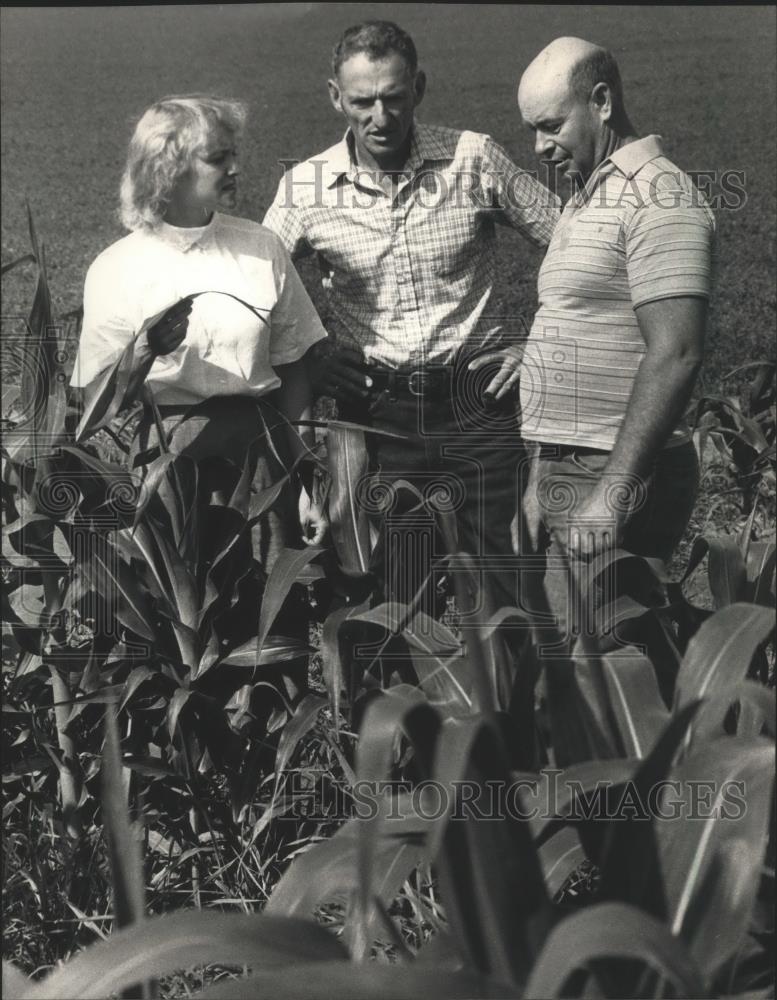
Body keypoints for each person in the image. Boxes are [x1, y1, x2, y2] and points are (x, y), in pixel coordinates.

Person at [263, 21, 560, 679]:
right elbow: (261, 287)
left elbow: (570, 242)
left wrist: (535, 344)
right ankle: (403, 760)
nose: (379, 116)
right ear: (334, 98)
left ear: (418, 89)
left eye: (394, 97)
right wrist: (313, 357)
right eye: (363, 100)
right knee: (395, 598)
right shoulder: (305, 189)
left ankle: (513, 748)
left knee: (507, 588)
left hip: (477, 404)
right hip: (375, 413)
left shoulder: (471, 158)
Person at [70, 95, 328, 699]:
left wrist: (300, 469)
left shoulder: (259, 247)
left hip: (260, 460)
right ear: (170, 168)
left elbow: (295, 364)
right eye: (219, 158)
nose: (236, 167)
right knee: (180, 628)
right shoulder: (117, 267)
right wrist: (143, 352)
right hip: (167, 469)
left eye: (233, 153)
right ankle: (194, 760)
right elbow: (96, 401)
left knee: (268, 614)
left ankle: (270, 766)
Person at [501, 38, 715, 665]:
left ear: (601, 102)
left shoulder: (659, 197)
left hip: (612, 471)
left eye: (549, 125)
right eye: (531, 130)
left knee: (593, 675)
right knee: (568, 664)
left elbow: (676, 353)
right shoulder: (590, 194)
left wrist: (611, 496)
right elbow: (589, 312)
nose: (539, 147)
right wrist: (536, 354)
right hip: (569, 465)